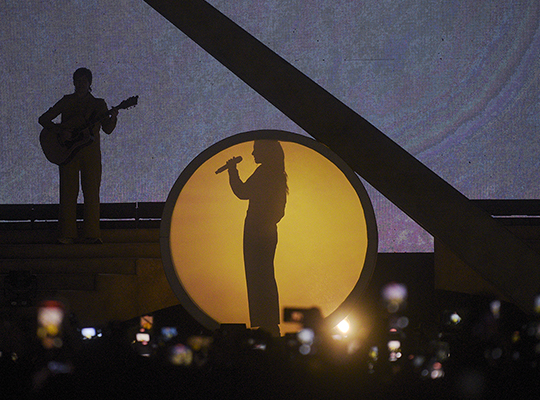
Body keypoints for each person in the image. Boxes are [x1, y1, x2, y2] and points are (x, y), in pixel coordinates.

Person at [38, 68, 118, 244]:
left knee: (92, 193)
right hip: (68, 153)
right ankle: (67, 234)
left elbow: (108, 129)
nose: (81, 83)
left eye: (84, 80)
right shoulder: (66, 101)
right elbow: (43, 119)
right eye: (78, 80)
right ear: (74, 82)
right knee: (67, 192)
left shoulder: (99, 104)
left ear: (90, 83)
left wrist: (113, 117)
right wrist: (61, 130)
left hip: (91, 154)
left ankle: (92, 234)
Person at [225, 140, 288, 336]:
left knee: (258, 276)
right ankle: (268, 322)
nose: (252, 154)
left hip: (256, 231)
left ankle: (267, 323)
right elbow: (280, 211)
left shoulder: (265, 173)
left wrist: (232, 170)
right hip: (267, 230)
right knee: (265, 275)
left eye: (255, 150)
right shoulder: (276, 174)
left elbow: (242, 192)